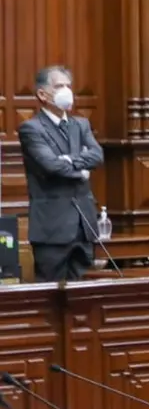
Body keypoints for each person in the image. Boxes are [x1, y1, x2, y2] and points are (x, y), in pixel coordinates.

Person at [18, 66, 104, 281]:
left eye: (68, 86)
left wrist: (69, 160)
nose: (67, 91)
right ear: (42, 94)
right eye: (59, 86)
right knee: (51, 299)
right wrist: (81, 171)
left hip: (84, 225)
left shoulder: (81, 125)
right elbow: (51, 166)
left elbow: (97, 155)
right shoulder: (32, 129)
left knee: (84, 298)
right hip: (52, 228)